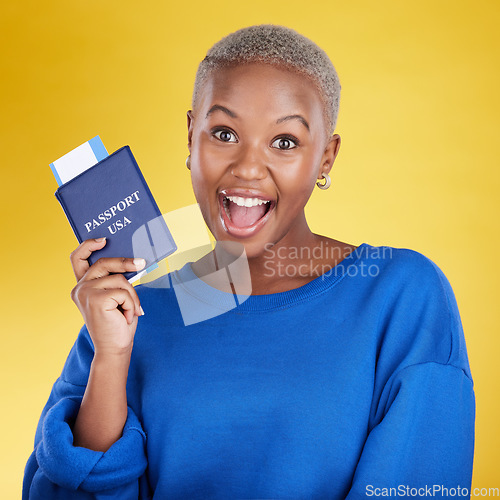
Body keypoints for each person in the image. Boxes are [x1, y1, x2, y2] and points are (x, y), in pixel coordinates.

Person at [23, 24, 475, 499]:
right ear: (191, 137)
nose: (248, 168)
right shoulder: (129, 312)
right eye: (224, 133)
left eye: (285, 142)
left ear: (326, 157)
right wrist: (112, 358)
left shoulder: (401, 297)